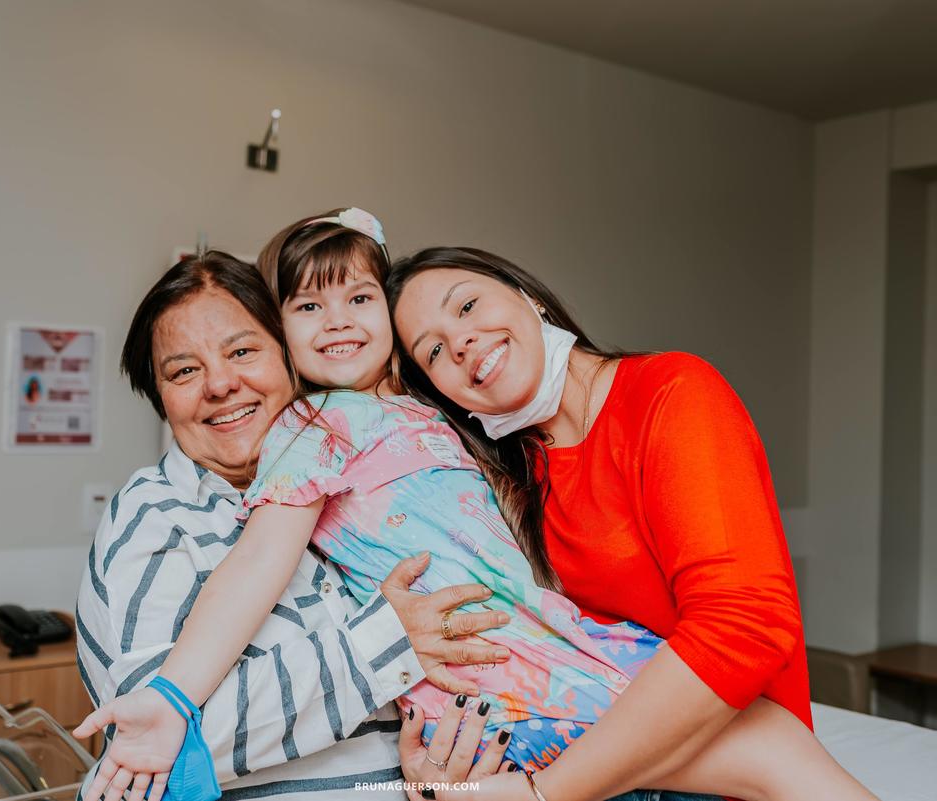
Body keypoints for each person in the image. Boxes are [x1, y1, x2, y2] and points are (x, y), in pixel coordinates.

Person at [79, 215, 873, 801]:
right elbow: (255, 567)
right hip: (508, 677)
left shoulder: (444, 421)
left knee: (768, 752)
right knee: (770, 754)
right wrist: (173, 696)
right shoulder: (303, 440)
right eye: (307, 309)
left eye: (359, 298)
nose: (339, 321)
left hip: (534, 659)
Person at [387, 248, 875, 800]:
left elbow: (742, 626)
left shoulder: (672, 392)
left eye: (468, 305)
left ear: (529, 297)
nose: (460, 342)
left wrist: (541, 793)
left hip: (729, 771)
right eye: (433, 352)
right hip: (617, 773)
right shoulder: (511, 481)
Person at [74, 250, 506, 801]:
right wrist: (383, 644)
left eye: (243, 351)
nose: (221, 384)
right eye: (184, 371)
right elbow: (154, 747)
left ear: (290, 359)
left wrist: (439, 777)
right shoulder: (154, 517)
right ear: (160, 397)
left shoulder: (356, 491)